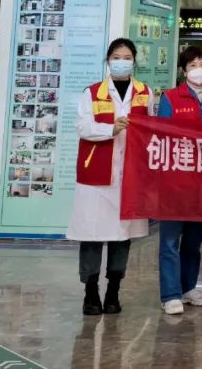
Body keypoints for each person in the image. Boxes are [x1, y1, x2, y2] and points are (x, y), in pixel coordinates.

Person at [66, 38, 150, 315]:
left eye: (127, 57)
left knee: (122, 237)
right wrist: (109, 129)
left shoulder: (144, 92)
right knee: (91, 235)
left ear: (134, 61)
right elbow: (82, 126)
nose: (121, 61)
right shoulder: (92, 93)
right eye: (116, 57)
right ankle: (90, 292)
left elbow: (153, 129)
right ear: (108, 60)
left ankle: (113, 291)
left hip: (130, 174)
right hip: (97, 175)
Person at [157, 45, 202, 316]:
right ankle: (170, 294)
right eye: (193, 65)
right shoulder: (170, 97)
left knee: (193, 240)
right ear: (184, 70)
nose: (199, 69)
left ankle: (188, 287)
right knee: (170, 240)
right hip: (175, 179)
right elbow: (162, 134)